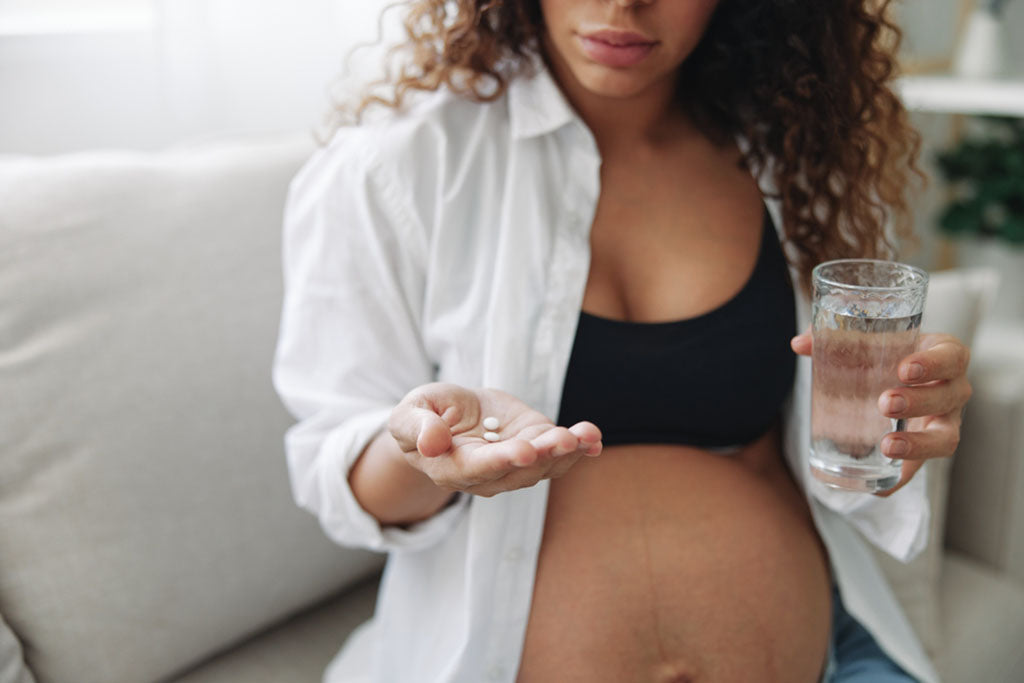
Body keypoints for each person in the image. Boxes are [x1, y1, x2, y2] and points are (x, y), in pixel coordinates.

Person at [272, 1, 973, 681]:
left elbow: (844, 462)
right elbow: (335, 467)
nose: (624, 3)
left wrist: (902, 419)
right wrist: (423, 453)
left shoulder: (798, 156)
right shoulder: (394, 167)